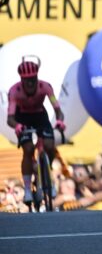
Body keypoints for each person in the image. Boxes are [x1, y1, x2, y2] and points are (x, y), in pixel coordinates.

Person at [6, 58, 65, 204]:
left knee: (50, 146)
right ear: (21, 80)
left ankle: (46, 175)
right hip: (22, 117)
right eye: (27, 80)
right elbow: (10, 118)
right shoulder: (14, 91)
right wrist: (17, 126)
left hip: (40, 116)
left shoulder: (45, 87)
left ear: (37, 76)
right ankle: (27, 189)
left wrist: (59, 121)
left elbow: (57, 109)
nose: (31, 82)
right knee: (28, 149)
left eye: (33, 78)